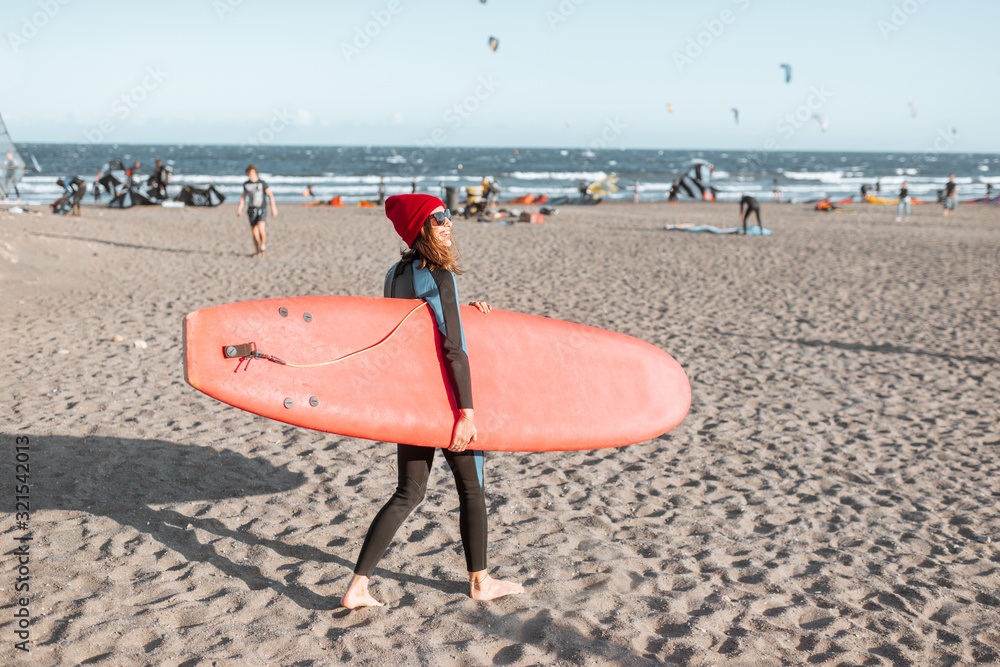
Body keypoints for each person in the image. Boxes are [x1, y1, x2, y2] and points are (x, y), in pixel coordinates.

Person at [341, 193, 524, 609]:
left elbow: (418, 332)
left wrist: (468, 311)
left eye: (448, 215)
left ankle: (357, 586)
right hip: (444, 402)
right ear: (423, 227)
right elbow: (453, 349)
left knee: (408, 493)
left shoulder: (393, 275)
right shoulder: (440, 275)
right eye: (440, 217)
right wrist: (467, 413)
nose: (449, 223)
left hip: (411, 401)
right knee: (472, 491)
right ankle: (480, 583)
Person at [236, 165, 278, 258]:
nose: (250, 175)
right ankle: (258, 250)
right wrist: (240, 209)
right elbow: (243, 197)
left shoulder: (262, 183)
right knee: (254, 232)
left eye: (252, 173)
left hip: (262, 208)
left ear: (255, 173)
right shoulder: (246, 184)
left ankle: (263, 245)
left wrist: (273, 208)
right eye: (249, 174)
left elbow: (270, 195)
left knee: (261, 228)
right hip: (251, 210)